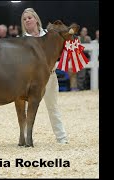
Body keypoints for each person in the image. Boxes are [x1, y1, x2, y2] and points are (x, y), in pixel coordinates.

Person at [21, 8, 68, 144]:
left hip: (50, 76)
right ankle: (25, 138)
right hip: (29, 79)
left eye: (29, 17)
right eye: (24, 19)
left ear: (36, 19)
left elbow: (61, 50)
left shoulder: (49, 35)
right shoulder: (22, 40)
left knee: (53, 107)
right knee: (26, 108)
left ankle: (62, 138)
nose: (27, 20)